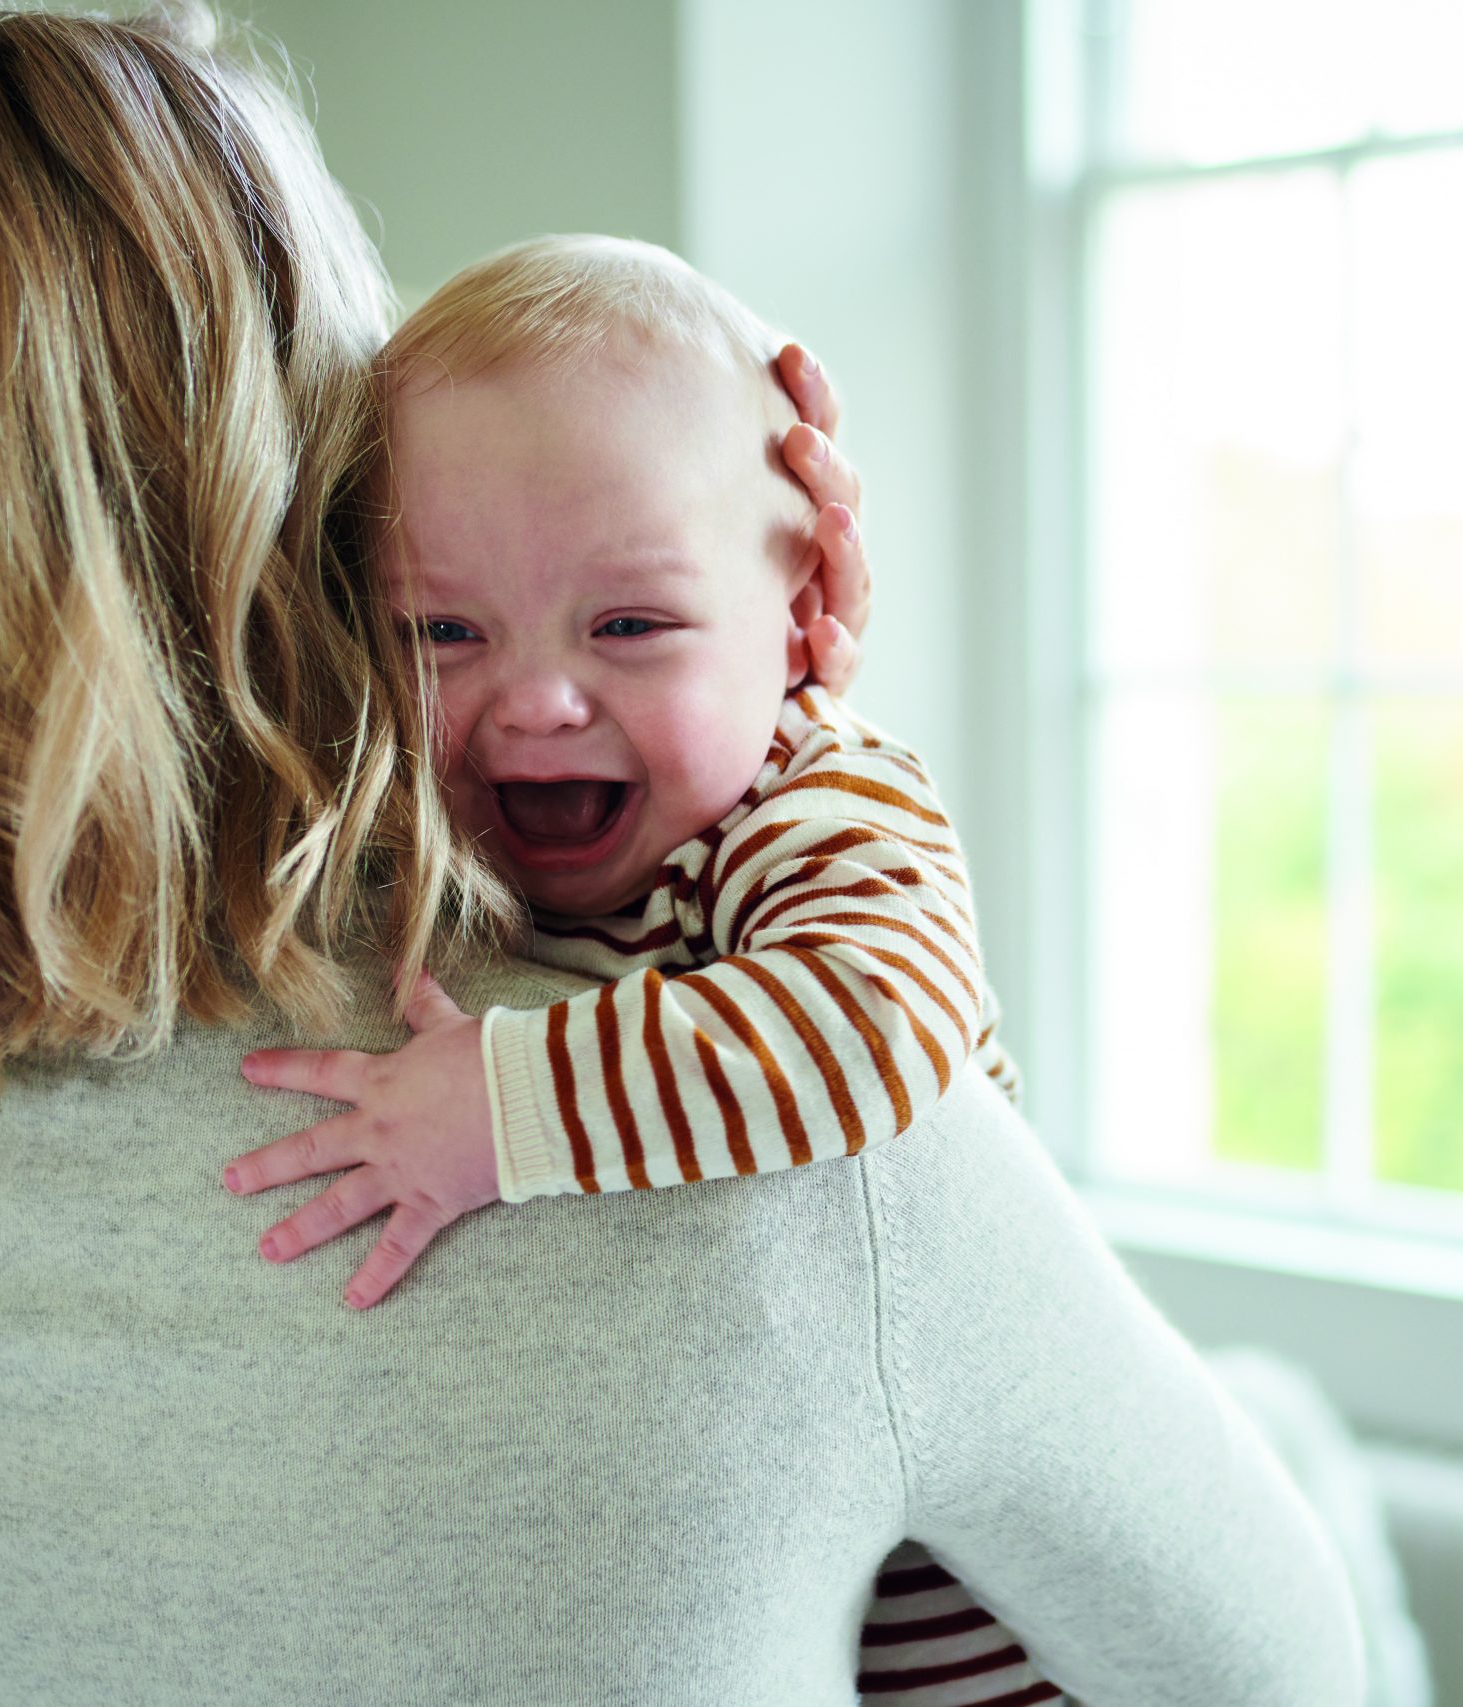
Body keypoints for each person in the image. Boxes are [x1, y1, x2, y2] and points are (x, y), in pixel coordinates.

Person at [0, 7, 1368, 1705]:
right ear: (286, 488)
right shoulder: (747, 1126)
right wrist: (760, 695)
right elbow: (1281, 1669)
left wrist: (718, 661)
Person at [225, 233, 1051, 1704]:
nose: (536, 698)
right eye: (442, 633)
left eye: (631, 625)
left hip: (989, 1635)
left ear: (803, 621)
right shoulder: (442, 839)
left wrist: (501, 1111)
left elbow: (875, 1027)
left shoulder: (817, 801)